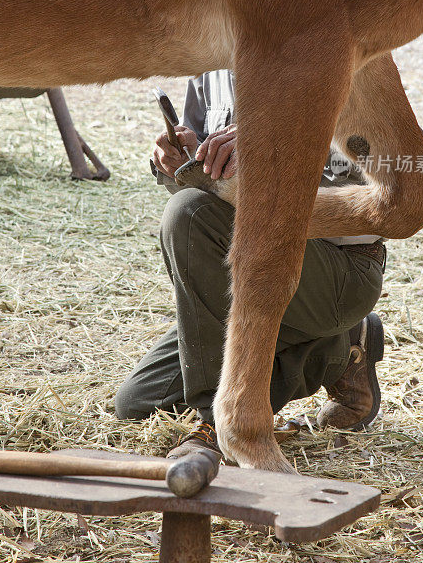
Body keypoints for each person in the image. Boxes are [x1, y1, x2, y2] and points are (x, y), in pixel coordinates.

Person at [115, 70, 386, 460]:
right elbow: (207, 190)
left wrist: (273, 145)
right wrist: (181, 163)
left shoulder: (334, 49)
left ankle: (212, 420)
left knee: (187, 215)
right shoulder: (211, 63)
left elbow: (388, 180)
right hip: (254, 269)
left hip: (337, 264)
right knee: (138, 404)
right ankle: (340, 351)